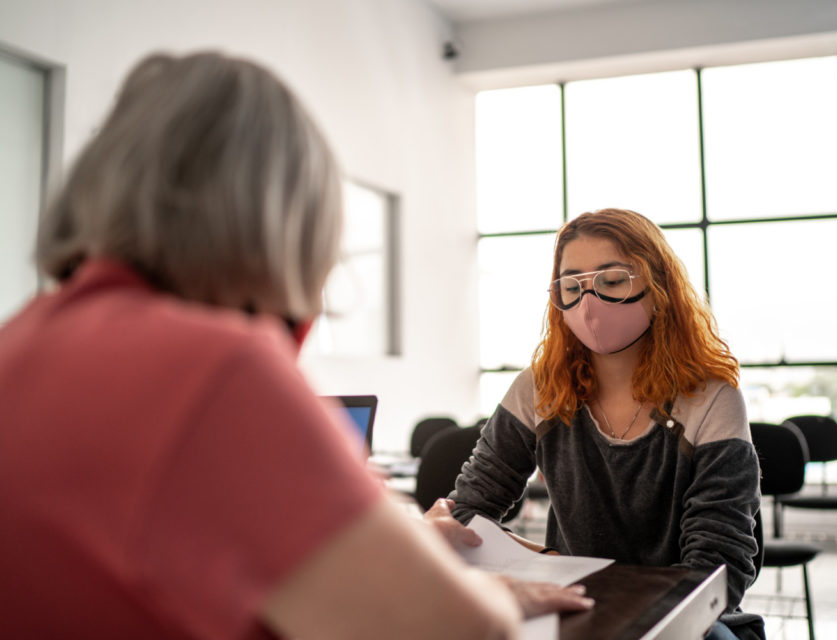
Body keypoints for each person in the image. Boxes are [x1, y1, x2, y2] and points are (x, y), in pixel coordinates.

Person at [0, 51, 593, 639]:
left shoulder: (21, 342)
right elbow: (454, 625)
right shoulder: (217, 368)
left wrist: (391, 543)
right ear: (288, 224)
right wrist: (482, 589)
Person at [444, 209, 765, 640]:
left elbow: (715, 566)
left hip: (688, 618)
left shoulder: (710, 399)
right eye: (572, 286)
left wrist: (575, 573)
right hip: (572, 602)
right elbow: (468, 510)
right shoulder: (538, 389)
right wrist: (551, 561)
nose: (589, 304)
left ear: (658, 286)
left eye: (612, 281)